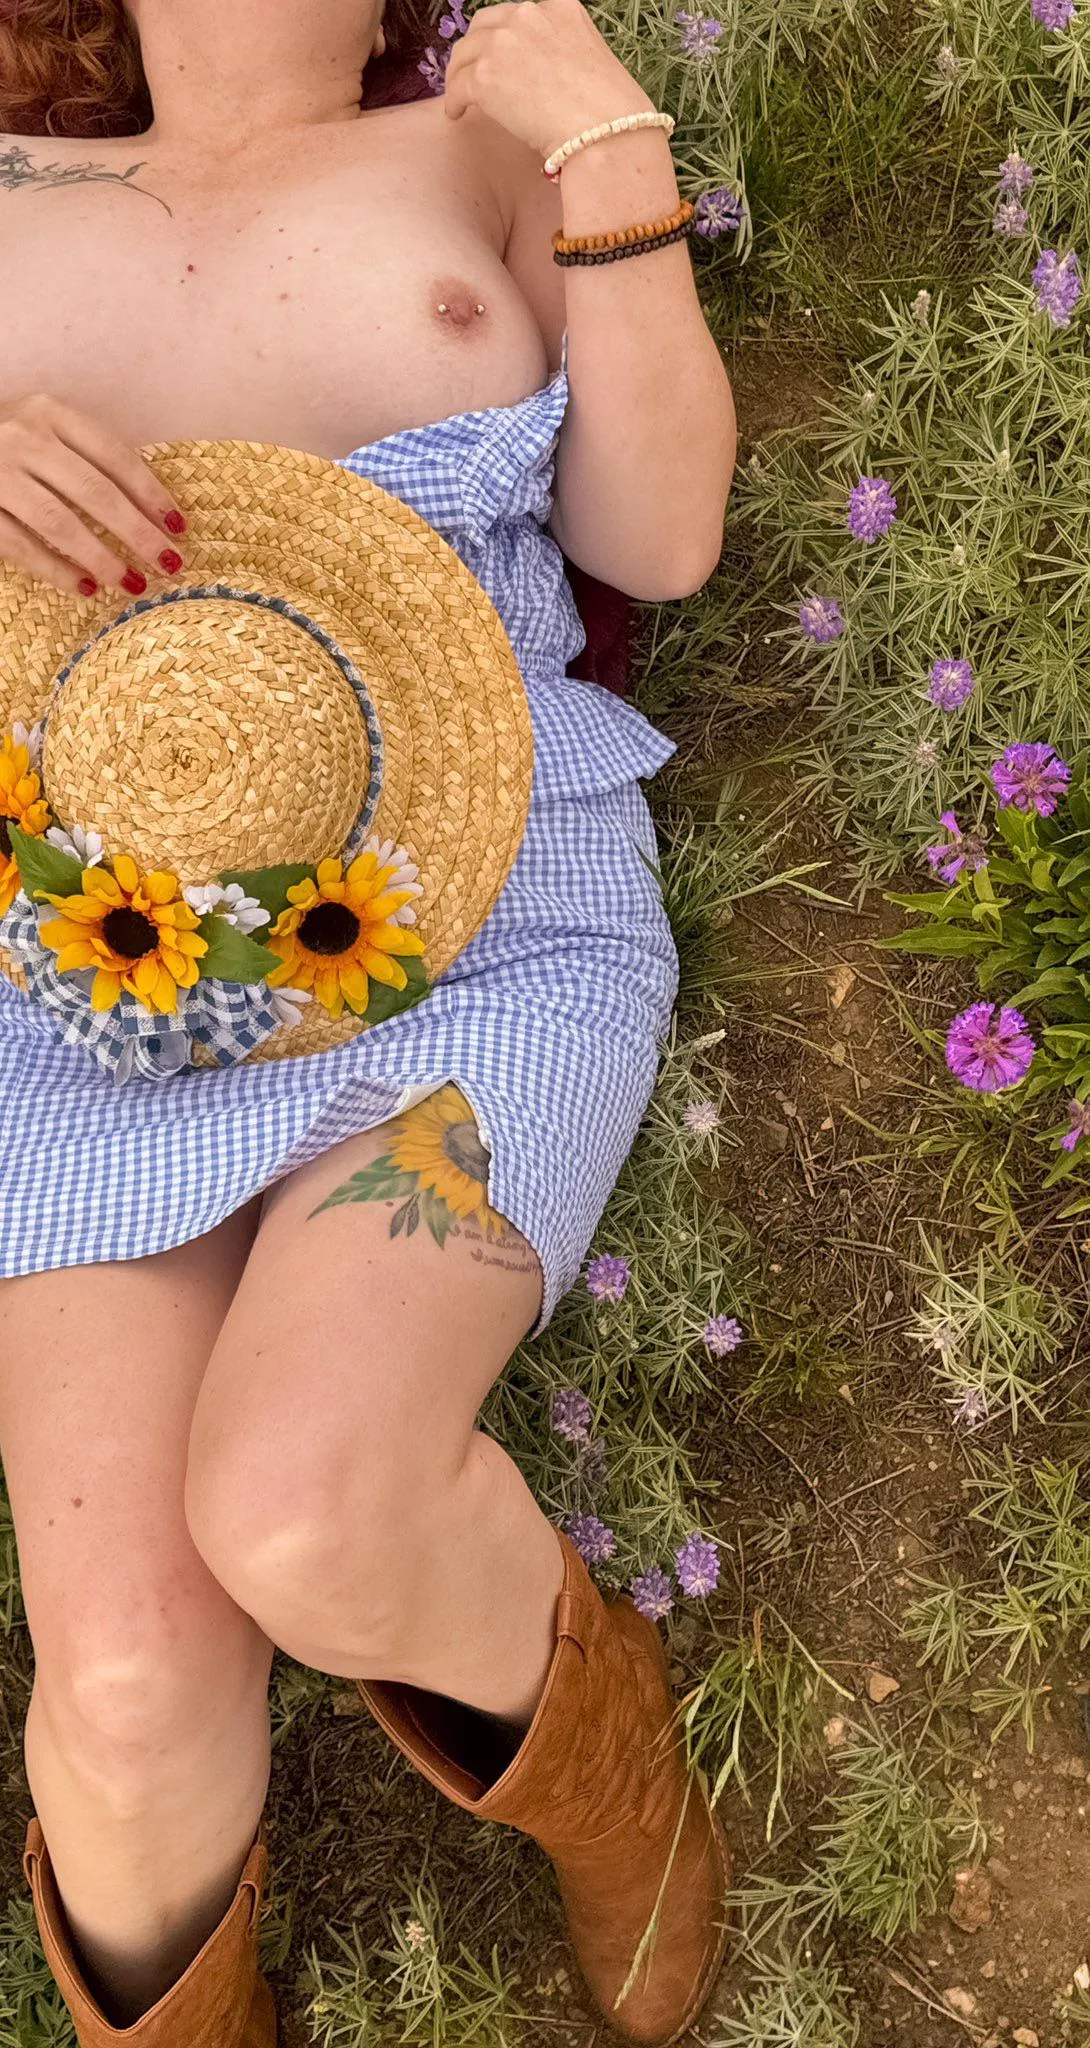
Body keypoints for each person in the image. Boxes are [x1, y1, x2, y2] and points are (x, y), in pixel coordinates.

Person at [0, 2, 737, 2042]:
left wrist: (603, 146)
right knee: (128, 1683)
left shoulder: (479, 145)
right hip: (72, 982)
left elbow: (654, 539)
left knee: (306, 1507)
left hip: (473, 925)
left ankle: (607, 1779)